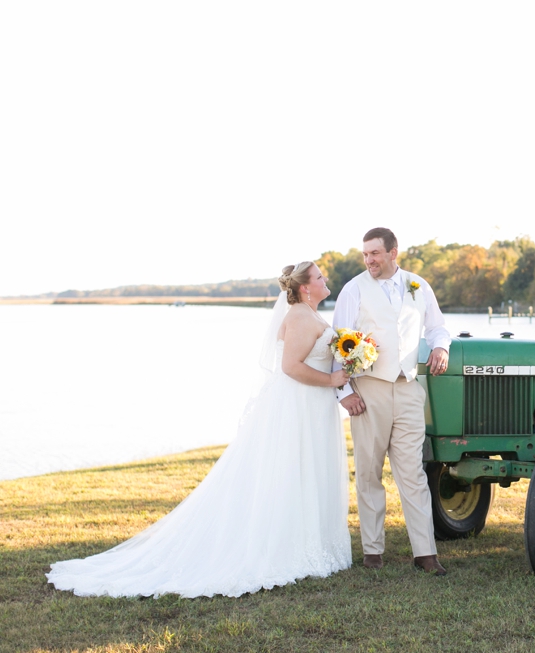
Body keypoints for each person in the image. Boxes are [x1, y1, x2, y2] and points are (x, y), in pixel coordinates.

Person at [46, 262, 353, 598]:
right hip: (298, 405)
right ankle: (286, 548)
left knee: (304, 472)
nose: (326, 280)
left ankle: (308, 540)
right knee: (290, 472)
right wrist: (332, 379)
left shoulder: (310, 312)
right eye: (321, 277)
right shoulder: (298, 315)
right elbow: (290, 367)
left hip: (311, 406)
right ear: (307, 287)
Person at [334, 228, 451, 576]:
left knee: (413, 473)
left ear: (393, 252)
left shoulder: (418, 285)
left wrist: (442, 347)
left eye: (375, 253)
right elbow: (338, 341)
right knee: (369, 472)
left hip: (409, 390)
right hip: (368, 390)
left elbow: (437, 327)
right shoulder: (353, 289)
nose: (369, 260)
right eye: (365, 254)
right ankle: (373, 551)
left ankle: (425, 553)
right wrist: (345, 393)